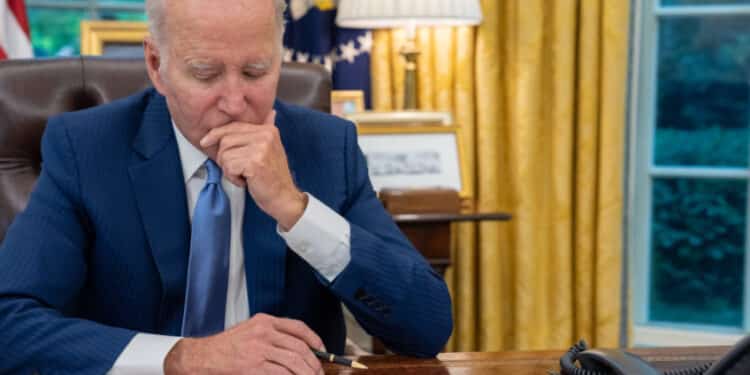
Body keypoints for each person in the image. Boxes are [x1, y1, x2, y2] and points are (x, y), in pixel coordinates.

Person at [0, 0, 453, 374]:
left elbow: (428, 326)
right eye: (205, 74)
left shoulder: (326, 149)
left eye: (256, 72)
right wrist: (184, 358)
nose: (236, 103)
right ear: (156, 64)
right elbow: (10, 323)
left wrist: (295, 209)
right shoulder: (87, 150)